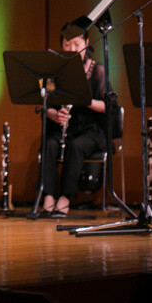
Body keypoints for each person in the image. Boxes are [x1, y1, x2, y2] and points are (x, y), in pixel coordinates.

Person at [38, 24, 107, 215]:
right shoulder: (55, 71)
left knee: (76, 145)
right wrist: (53, 114)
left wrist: (85, 100)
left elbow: (108, 106)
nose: (73, 50)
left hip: (90, 130)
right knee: (49, 143)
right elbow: (47, 106)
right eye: (67, 45)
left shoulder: (97, 70)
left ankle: (66, 197)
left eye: (77, 44)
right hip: (65, 127)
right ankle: (49, 195)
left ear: (86, 43)